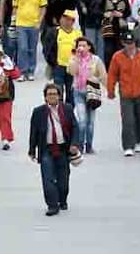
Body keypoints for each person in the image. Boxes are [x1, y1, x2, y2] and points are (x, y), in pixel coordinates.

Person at [28, 83, 79, 216]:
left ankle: (62, 200)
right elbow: (33, 132)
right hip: (47, 150)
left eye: (54, 94)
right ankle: (52, 205)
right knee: (48, 178)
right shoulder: (38, 112)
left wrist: (74, 144)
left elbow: (75, 128)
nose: (52, 97)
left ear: (59, 96)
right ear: (45, 97)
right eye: (49, 94)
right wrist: (32, 150)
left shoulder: (67, 109)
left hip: (63, 149)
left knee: (64, 180)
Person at [107, 31, 140, 156]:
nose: (130, 46)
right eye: (127, 43)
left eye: (131, 43)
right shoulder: (117, 57)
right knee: (128, 121)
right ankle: (128, 145)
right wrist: (110, 90)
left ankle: (139, 140)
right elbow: (112, 74)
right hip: (126, 93)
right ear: (123, 43)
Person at [67, 37, 107, 154]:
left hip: (92, 92)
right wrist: (77, 59)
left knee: (91, 123)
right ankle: (80, 145)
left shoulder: (96, 60)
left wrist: (103, 84)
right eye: (79, 46)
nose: (82, 48)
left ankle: (89, 145)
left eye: (84, 46)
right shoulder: (74, 59)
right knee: (82, 121)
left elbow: (103, 75)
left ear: (89, 47)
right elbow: (72, 72)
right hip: (78, 92)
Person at [13, 0, 46, 81]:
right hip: (21, 24)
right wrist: (13, 21)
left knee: (32, 49)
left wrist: (40, 22)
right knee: (22, 48)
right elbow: (15, 7)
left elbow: (43, 7)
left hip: (34, 24)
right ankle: (22, 71)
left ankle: (31, 71)